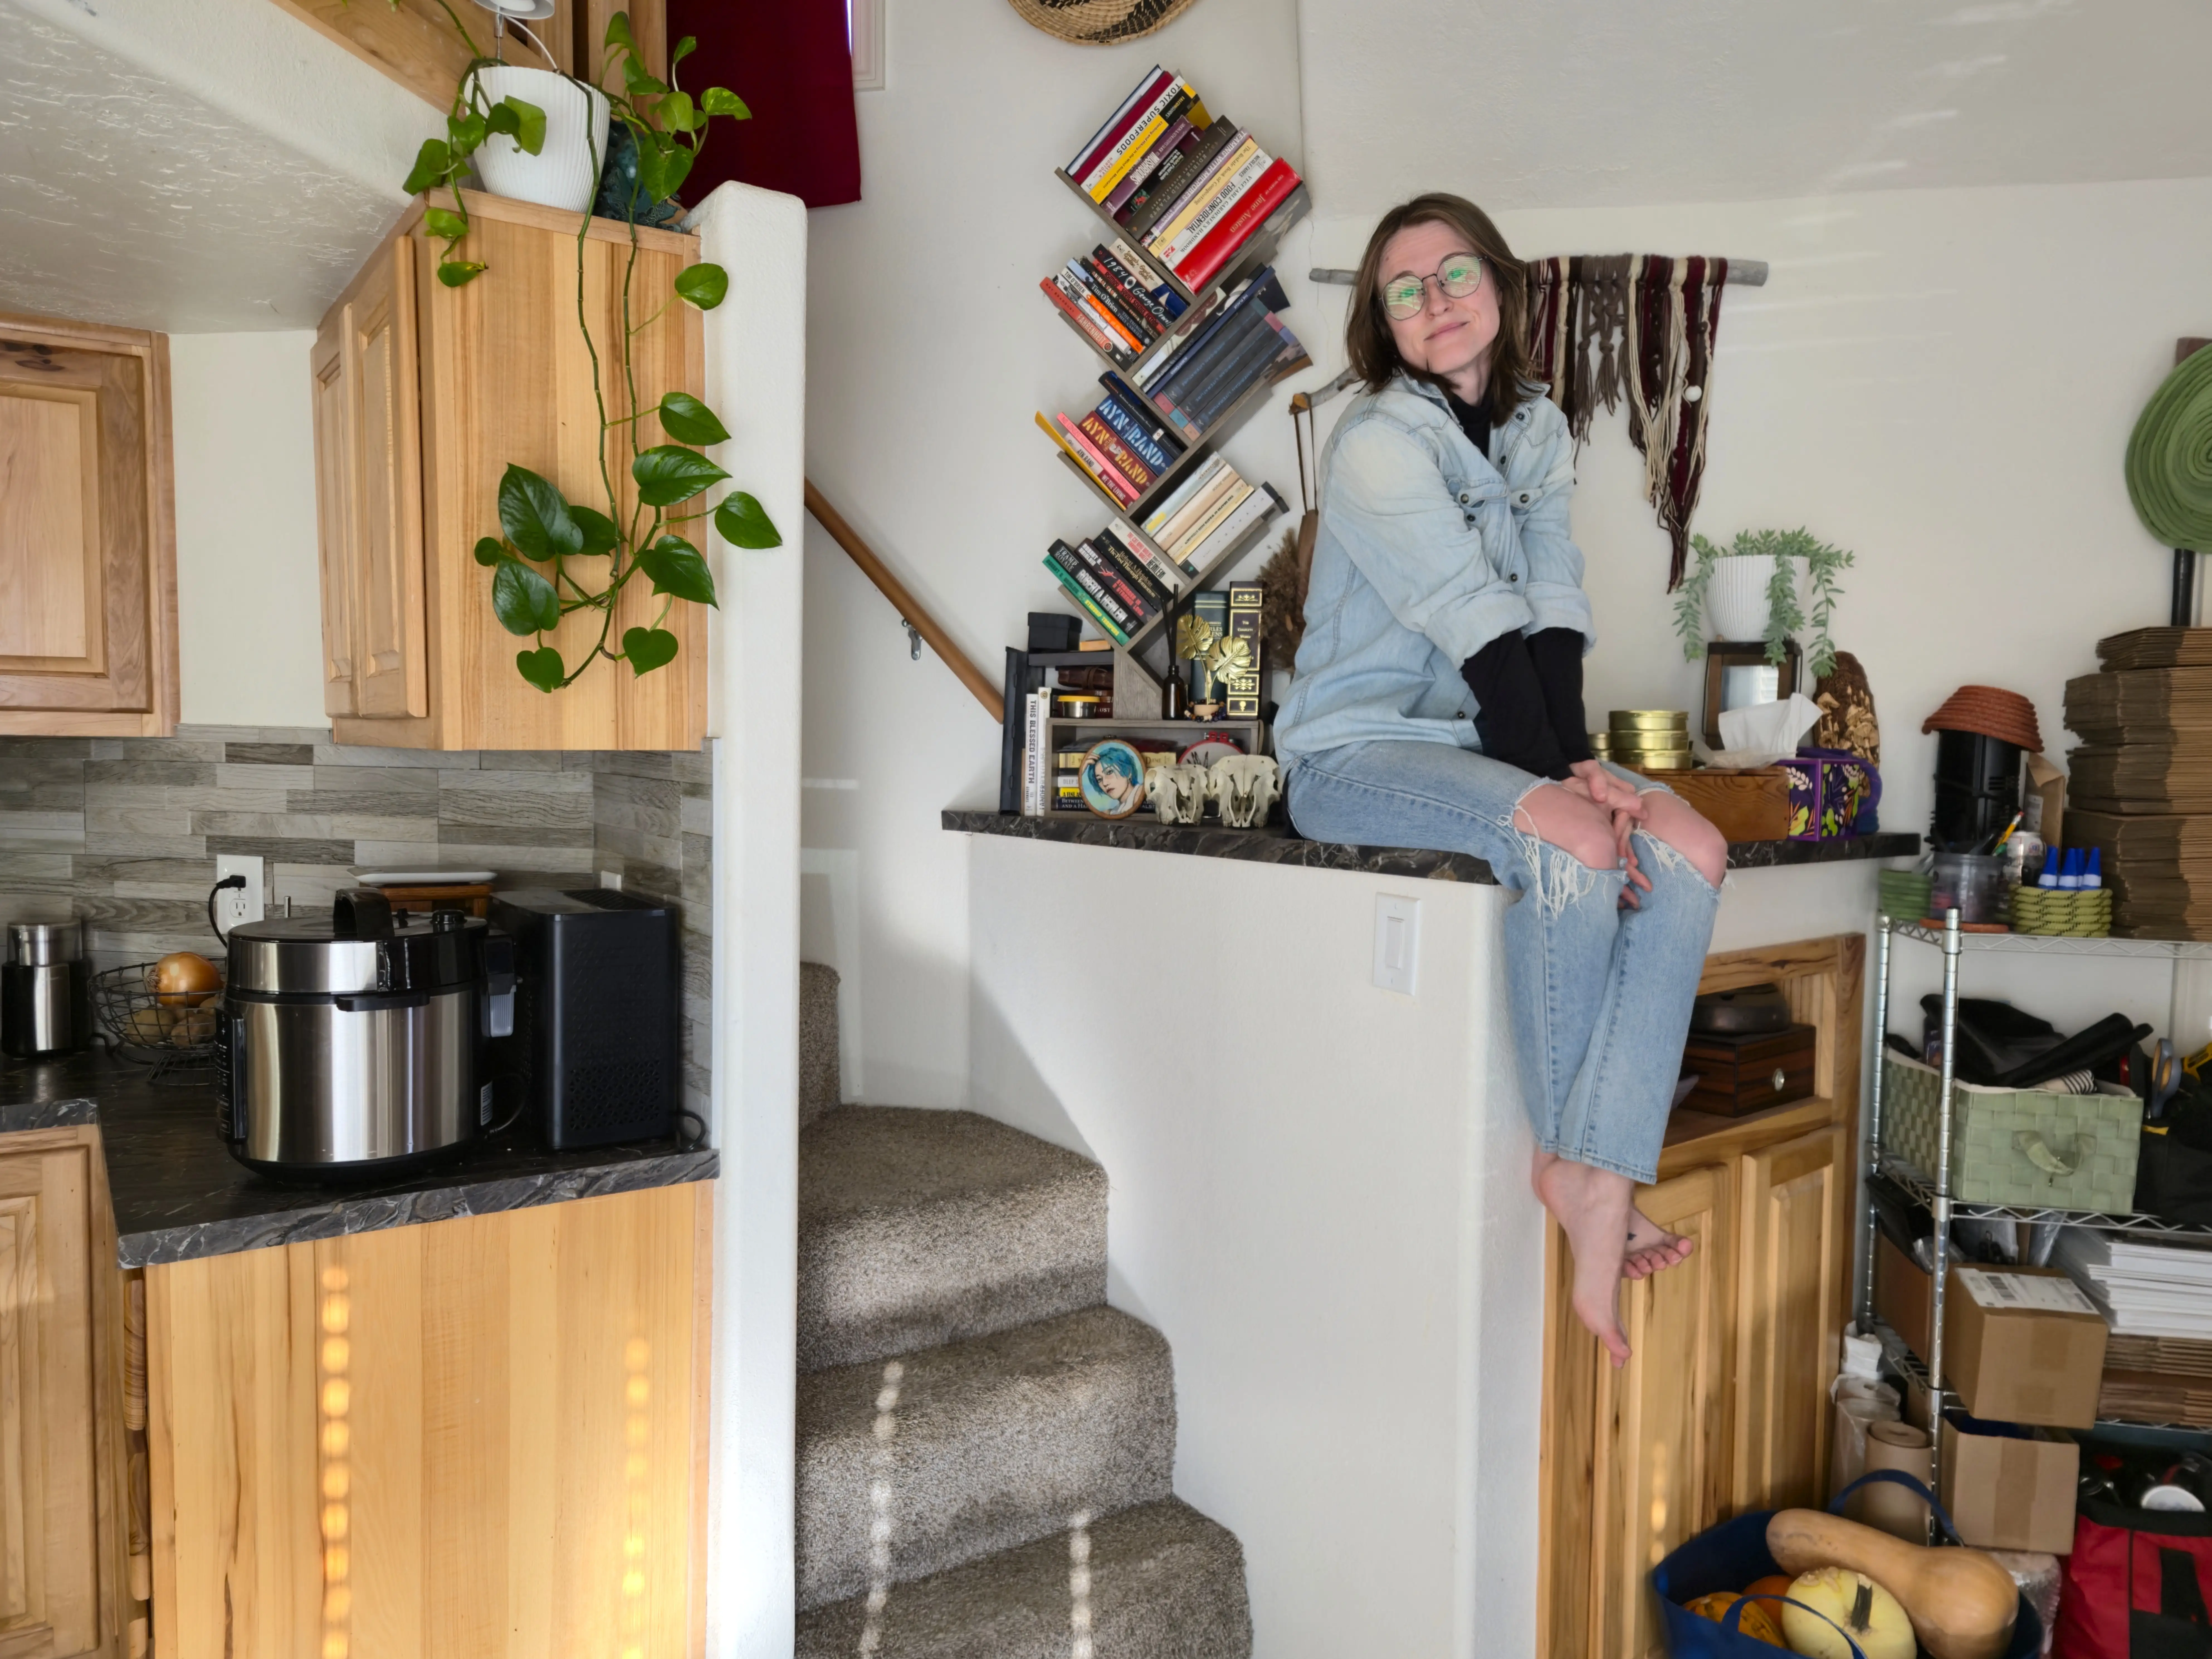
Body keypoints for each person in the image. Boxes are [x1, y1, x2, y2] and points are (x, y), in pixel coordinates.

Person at [1274, 193, 1728, 1366]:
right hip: (1354, 753)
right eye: (1403, 289)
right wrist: (1574, 787)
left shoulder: (1531, 429)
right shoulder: (1374, 441)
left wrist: (1579, 760)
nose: (1433, 301)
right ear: (1380, 320)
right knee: (1577, 843)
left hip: (1479, 748)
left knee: (1692, 848)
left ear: (1499, 286)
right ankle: (1578, 1169)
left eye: (1453, 274)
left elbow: (1550, 608)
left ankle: (1592, 1160)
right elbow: (1478, 631)